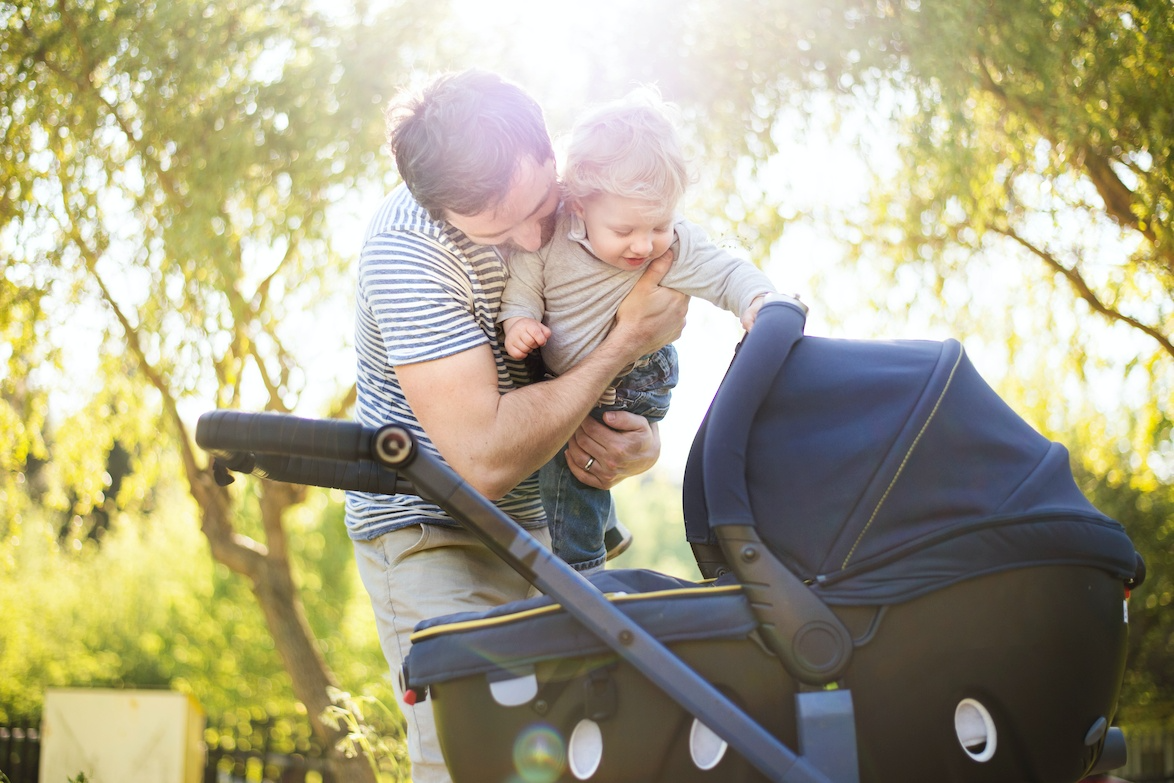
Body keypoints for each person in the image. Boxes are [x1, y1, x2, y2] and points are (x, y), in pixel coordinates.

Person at [346, 70, 688, 783]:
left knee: (572, 759)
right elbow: (487, 457)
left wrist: (639, 443)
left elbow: (613, 367)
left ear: (546, 150)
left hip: (545, 531)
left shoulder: (582, 191)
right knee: (470, 760)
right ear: (441, 208)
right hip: (433, 530)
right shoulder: (408, 251)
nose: (537, 233)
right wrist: (622, 343)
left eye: (540, 203)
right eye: (501, 232)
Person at [499, 88, 777, 574]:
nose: (644, 244)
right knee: (567, 446)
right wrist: (518, 320)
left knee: (569, 463)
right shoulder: (552, 236)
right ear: (580, 206)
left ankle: (581, 573)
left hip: (636, 377)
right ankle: (605, 533)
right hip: (584, 373)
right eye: (626, 230)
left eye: (659, 225)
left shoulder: (675, 246)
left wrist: (758, 300)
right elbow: (524, 283)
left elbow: (726, 272)